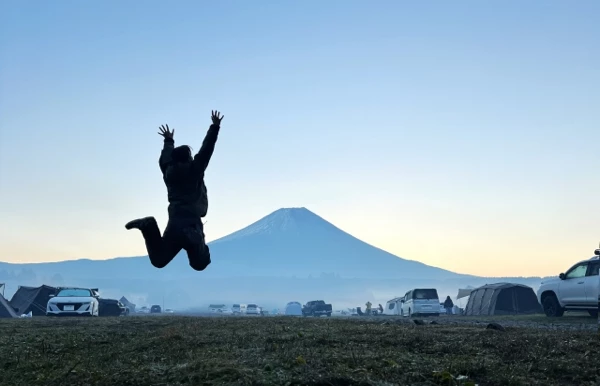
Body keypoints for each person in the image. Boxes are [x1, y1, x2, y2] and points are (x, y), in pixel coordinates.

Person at [125, 110, 224, 271]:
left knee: (159, 260)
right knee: (200, 263)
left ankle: (148, 226)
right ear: (189, 158)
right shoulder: (195, 169)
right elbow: (207, 150)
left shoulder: (168, 171)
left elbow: (165, 158)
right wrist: (215, 126)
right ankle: (196, 240)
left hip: (175, 223)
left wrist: (168, 140)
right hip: (192, 223)